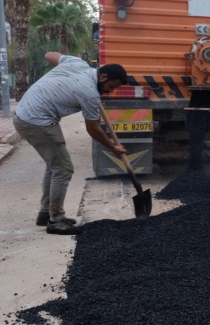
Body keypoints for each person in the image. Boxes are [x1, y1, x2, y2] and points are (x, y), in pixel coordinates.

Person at [13, 53, 128, 235]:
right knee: (63, 169)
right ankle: (56, 221)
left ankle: (46, 213)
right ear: (103, 77)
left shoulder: (76, 63)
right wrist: (113, 147)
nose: (109, 92)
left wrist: (60, 76)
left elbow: (49, 55)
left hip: (25, 115)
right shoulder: (90, 94)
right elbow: (93, 129)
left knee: (54, 167)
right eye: (110, 87)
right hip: (36, 121)